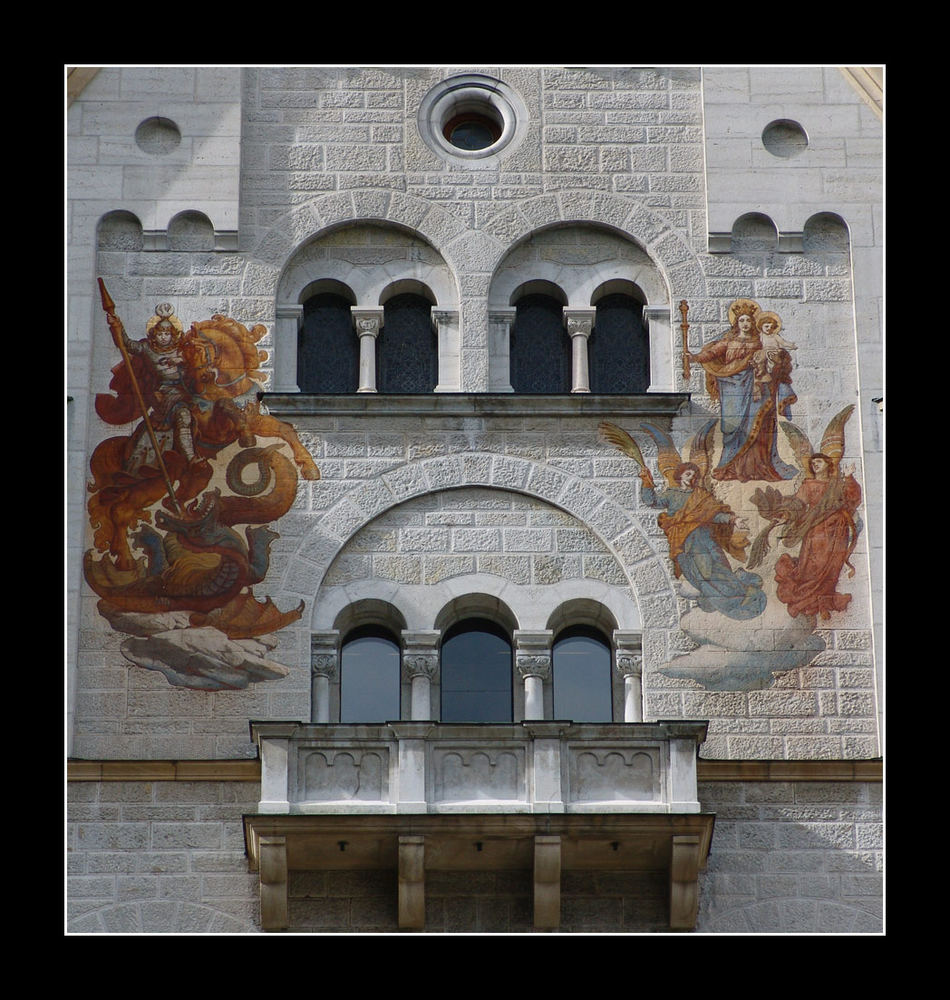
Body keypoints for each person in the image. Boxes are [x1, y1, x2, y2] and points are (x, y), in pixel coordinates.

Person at [639, 460, 767, 620]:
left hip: (706, 538)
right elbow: (652, 501)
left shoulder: (701, 495)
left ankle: (740, 592)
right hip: (686, 543)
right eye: (688, 474)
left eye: (693, 475)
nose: (690, 478)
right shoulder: (671, 494)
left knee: (720, 567)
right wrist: (646, 481)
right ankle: (727, 599)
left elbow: (713, 515)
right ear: (680, 475)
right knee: (703, 575)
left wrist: (733, 520)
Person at [687, 299, 798, 483]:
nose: (745, 324)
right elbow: (712, 353)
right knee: (733, 427)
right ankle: (730, 467)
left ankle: (759, 466)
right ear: (736, 323)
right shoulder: (729, 342)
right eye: (741, 320)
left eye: (748, 320)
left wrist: (776, 359)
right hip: (731, 387)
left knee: (760, 424)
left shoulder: (760, 341)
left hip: (757, 388)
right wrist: (694, 357)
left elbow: (775, 359)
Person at [96, 303, 200, 472]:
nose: (164, 337)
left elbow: (197, 361)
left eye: (167, 333)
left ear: (173, 335)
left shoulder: (182, 350)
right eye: (160, 333)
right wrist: (117, 325)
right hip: (163, 393)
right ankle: (191, 458)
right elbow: (127, 344)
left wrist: (181, 360)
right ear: (154, 334)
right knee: (184, 416)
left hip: (184, 391)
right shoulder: (147, 348)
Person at [773, 453, 862, 619]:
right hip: (816, 530)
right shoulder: (809, 484)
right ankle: (810, 599)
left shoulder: (837, 483)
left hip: (837, 531)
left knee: (833, 567)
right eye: (813, 463)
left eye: (819, 462)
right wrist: (785, 514)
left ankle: (823, 599)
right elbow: (798, 503)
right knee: (814, 565)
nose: (815, 465)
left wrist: (849, 477)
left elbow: (853, 499)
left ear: (828, 464)